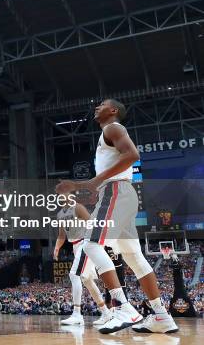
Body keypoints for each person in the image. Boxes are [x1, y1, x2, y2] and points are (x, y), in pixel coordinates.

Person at [56, 99, 178, 334]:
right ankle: (161, 316)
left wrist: (93, 181)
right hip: (122, 193)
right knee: (134, 257)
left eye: (101, 104)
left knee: (90, 245)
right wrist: (82, 184)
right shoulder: (108, 135)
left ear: (113, 111)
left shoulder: (113, 128)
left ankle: (123, 307)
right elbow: (104, 176)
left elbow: (132, 155)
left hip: (115, 192)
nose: (96, 107)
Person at [53, 196, 112, 326]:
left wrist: (94, 241)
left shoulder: (78, 208)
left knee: (74, 275)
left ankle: (77, 314)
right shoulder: (60, 214)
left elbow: (92, 223)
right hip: (75, 246)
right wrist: (57, 248)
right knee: (87, 280)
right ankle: (106, 313)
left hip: (85, 243)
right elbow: (62, 235)